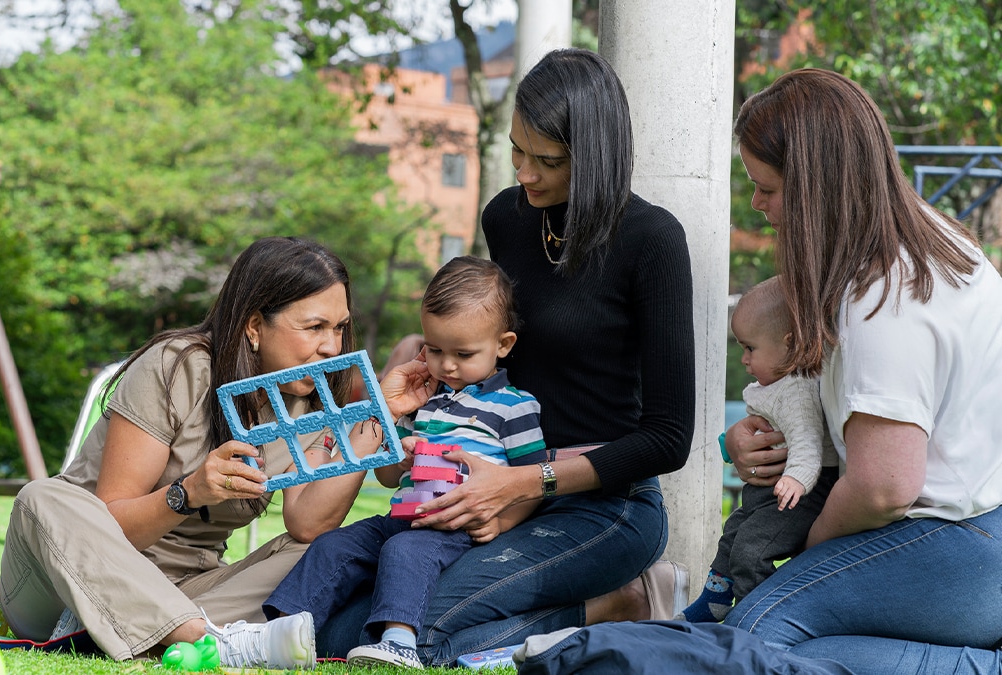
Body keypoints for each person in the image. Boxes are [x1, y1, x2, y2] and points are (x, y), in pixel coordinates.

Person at [513, 68, 1002, 674]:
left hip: (955, 544)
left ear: (814, 187)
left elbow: (884, 486)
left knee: (749, 635)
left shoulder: (885, 296)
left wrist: (810, 554)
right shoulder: (930, 240)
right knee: (762, 646)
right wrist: (764, 436)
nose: (757, 203)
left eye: (764, 187)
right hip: (967, 533)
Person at [313, 48, 696, 667]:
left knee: (413, 635)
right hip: (493, 489)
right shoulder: (507, 219)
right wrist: (430, 365)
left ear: (595, 156)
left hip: (604, 505)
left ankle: (622, 600)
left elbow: (669, 438)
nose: (524, 172)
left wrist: (523, 482)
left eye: (547, 160)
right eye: (518, 150)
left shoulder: (652, 241)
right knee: (345, 628)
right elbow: (488, 344)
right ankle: (590, 610)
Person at [0, 237, 436, 669]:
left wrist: (381, 414)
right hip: (63, 583)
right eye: (315, 327)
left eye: (339, 328)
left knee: (326, 550)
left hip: (190, 591)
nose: (331, 347)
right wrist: (190, 493)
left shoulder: (309, 401)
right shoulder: (178, 365)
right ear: (253, 327)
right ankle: (204, 640)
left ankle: (179, 635)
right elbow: (114, 530)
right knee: (44, 498)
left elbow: (308, 525)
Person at [265, 256, 546, 669]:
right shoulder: (427, 402)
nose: (446, 365)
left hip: (454, 524)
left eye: (463, 353)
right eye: (434, 350)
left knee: (405, 550)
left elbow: (530, 479)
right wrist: (403, 457)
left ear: (503, 345)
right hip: (403, 514)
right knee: (335, 544)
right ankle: (278, 630)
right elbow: (386, 471)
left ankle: (398, 641)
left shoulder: (514, 407)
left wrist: (502, 522)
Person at [680, 276, 838, 623]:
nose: (744, 360)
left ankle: (755, 617)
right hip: (768, 490)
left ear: (789, 344)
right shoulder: (775, 384)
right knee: (732, 536)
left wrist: (796, 480)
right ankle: (714, 600)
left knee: (752, 551)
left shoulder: (796, 391)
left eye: (750, 348)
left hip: (800, 493)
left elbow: (808, 446)